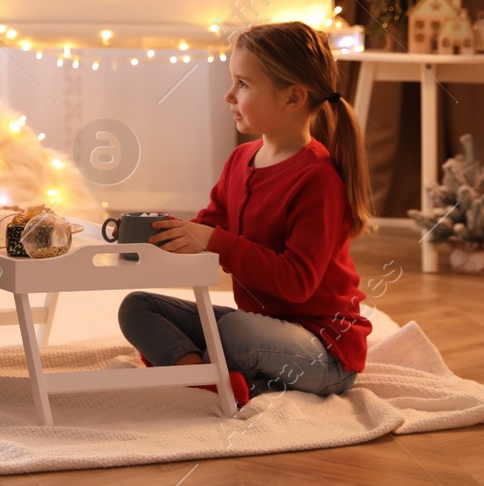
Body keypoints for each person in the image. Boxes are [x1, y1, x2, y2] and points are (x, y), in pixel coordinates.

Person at [118, 21, 373, 407]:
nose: (228, 96)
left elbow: (297, 282)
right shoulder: (241, 159)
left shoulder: (319, 179)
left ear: (293, 98)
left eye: (243, 84)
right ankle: (209, 378)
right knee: (137, 307)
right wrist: (164, 230)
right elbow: (210, 225)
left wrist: (215, 242)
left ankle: (194, 370)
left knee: (234, 331)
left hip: (324, 350)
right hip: (263, 330)